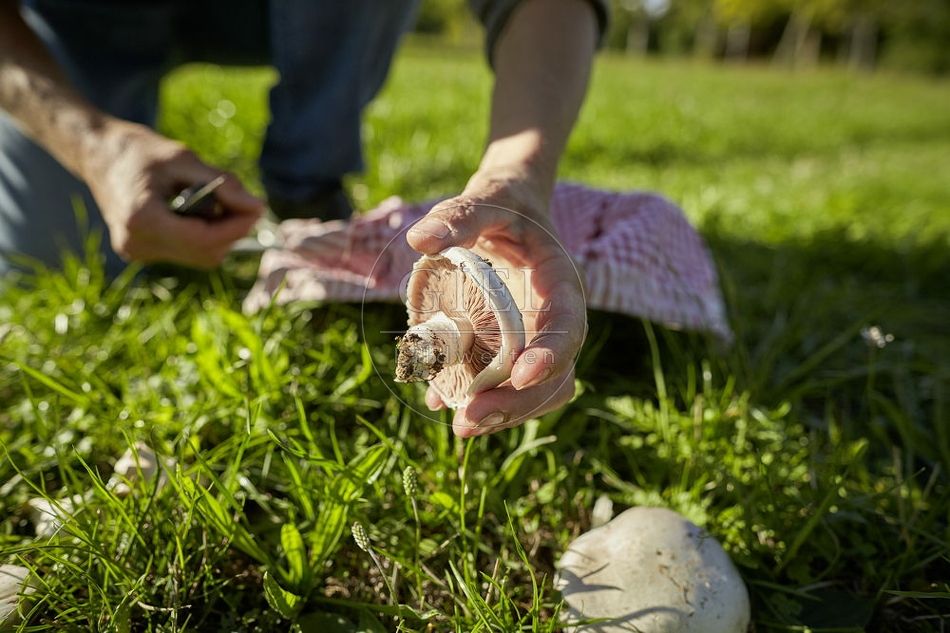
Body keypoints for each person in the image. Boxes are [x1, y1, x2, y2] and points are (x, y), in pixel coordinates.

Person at [0, 0, 608, 437]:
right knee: (53, 255)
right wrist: (92, 145)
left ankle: (307, 189)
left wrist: (518, 176)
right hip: (75, 19)